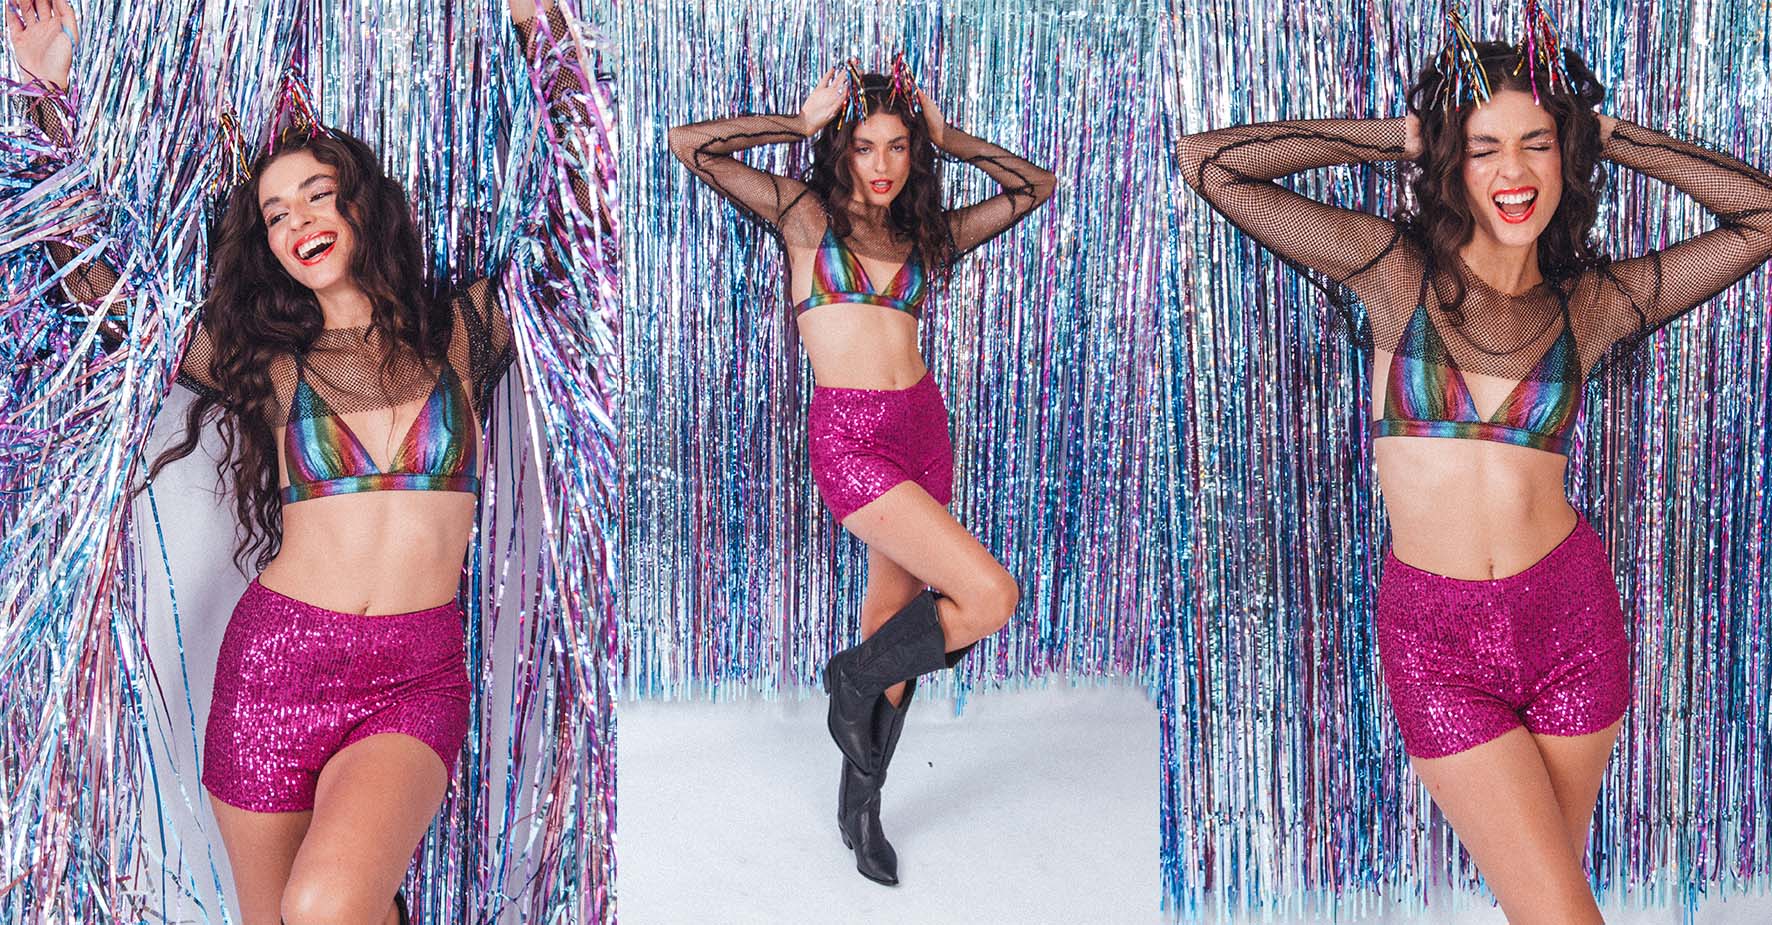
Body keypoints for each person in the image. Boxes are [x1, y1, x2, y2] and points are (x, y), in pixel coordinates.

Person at [5, 1, 596, 922]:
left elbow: (581, 216)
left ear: (361, 205)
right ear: (270, 246)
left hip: (414, 675)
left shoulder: (465, 331)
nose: (299, 220)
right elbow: (95, 290)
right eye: (277, 213)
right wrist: (46, 95)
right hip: (276, 666)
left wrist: (539, 27)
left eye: (318, 194)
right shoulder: (268, 362)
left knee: (325, 901)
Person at [1177, 14, 1772, 924]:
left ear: (1565, 158)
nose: (1513, 170)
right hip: (1437, 643)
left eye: (1537, 143)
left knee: (1544, 903)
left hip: (1571, 623)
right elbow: (1209, 163)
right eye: (1485, 147)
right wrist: (1401, 137)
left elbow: (1762, 215)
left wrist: (1611, 135)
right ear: (1455, 163)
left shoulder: (1592, 305)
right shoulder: (1392, 273)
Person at [668, 60, 1055, 885]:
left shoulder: (923, 233)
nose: (883, 164)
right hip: (851, 440)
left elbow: (1036, 187)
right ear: (842, 151)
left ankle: (861, 808)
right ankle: (848, 677)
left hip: (923, 432)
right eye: (865, 146)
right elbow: (689, 145)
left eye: (900, 147)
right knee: (989, 596)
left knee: (894, 626)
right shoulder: (803, 216)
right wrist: (797, 125)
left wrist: (952, 137)